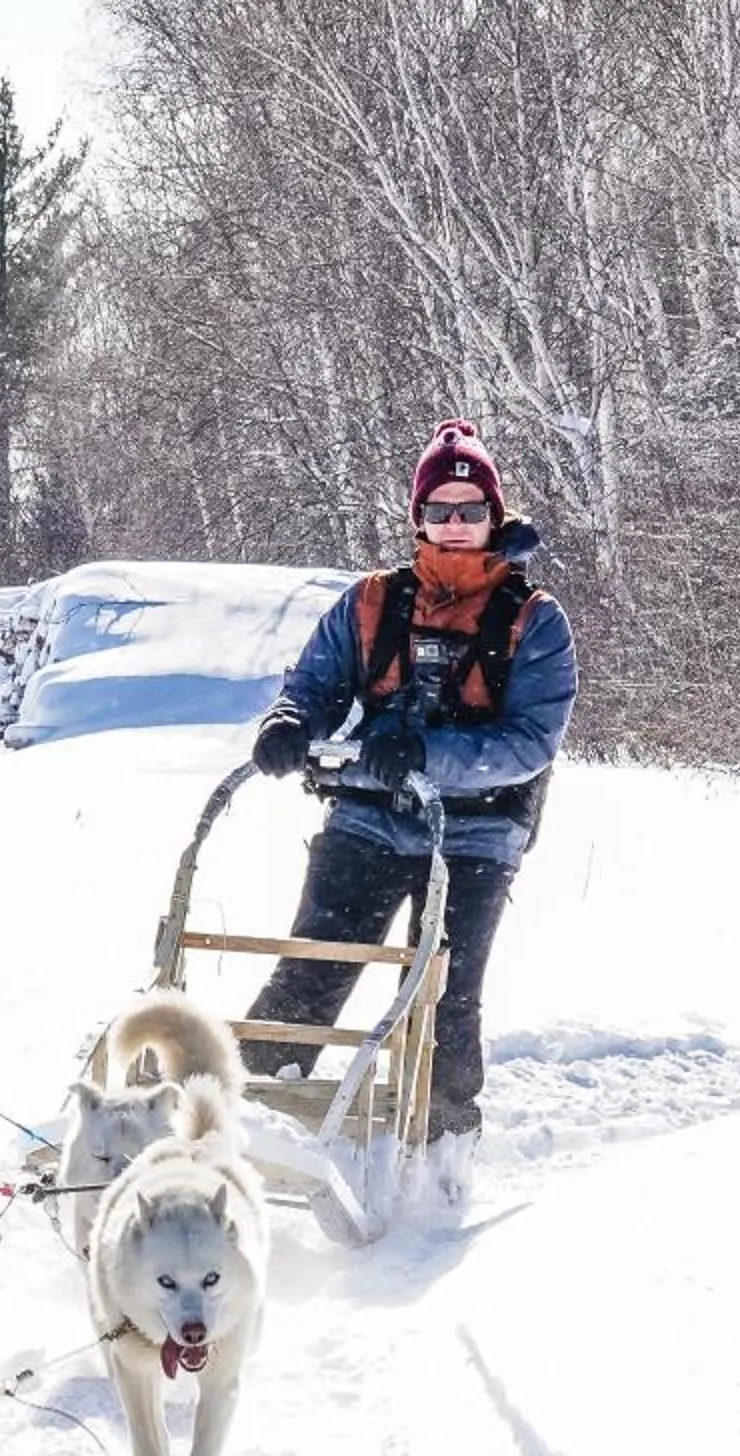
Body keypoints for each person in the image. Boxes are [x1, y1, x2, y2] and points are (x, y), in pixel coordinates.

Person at [236, 418, 578, 1140]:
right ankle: (249, 1119)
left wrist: (426, 751)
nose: (455, 525)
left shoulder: (534, 620)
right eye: (439, 511)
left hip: (477, 829)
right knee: (314, 967)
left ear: (494, 516)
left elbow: (529, 742)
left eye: (470, 510)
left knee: (439, 993)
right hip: (368, 812)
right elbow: (315, 682)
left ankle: (442, 1141)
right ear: (418, 518)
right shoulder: (373, 601)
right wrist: (290, 723)